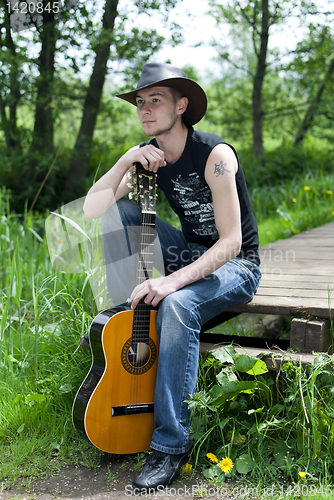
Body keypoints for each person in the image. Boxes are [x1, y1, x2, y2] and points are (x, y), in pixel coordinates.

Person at [83, 62, 261, 490]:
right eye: (140, 102)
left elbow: (232, 242)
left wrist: (170, 282)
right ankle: (128, 323)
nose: (145, 108)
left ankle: (169, 445)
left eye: (155, 100)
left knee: (178, 304)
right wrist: (127, 157)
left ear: (181, 106)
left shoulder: (215, 156)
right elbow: (91, 209)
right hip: (187, 252)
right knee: (120, 212)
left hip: (236, 264)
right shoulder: (149, 156)